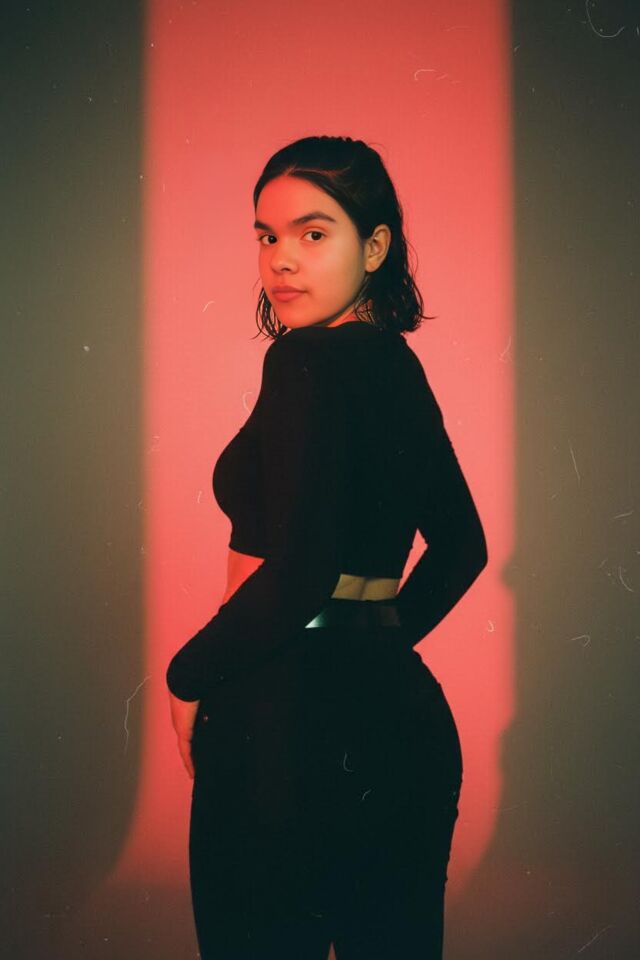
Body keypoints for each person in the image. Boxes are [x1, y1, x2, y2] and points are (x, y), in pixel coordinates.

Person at [166, 135, 488, 960]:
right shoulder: (398, 366)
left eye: (314, 233)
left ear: (375, 247)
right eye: (267, 236)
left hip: (281, 731)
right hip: (401, 724)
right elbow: (463, 547)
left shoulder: (301, 361)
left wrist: (187, 674)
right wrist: (375, 644)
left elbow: (303, 571)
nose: (282, 259)